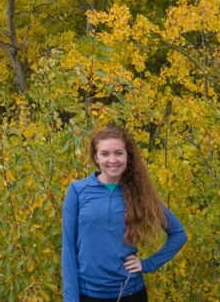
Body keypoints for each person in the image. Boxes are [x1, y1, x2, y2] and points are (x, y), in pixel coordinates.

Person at [61, 125, 187, 302]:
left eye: (118, 153)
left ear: (128, 155)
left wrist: (147, 264)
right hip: (88, 295)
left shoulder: (140, 192)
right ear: (96, 157)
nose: (112, 159)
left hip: (131, 293)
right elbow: (68, 248)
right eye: (105, 153)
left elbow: (178, 234)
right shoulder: (78, 191)